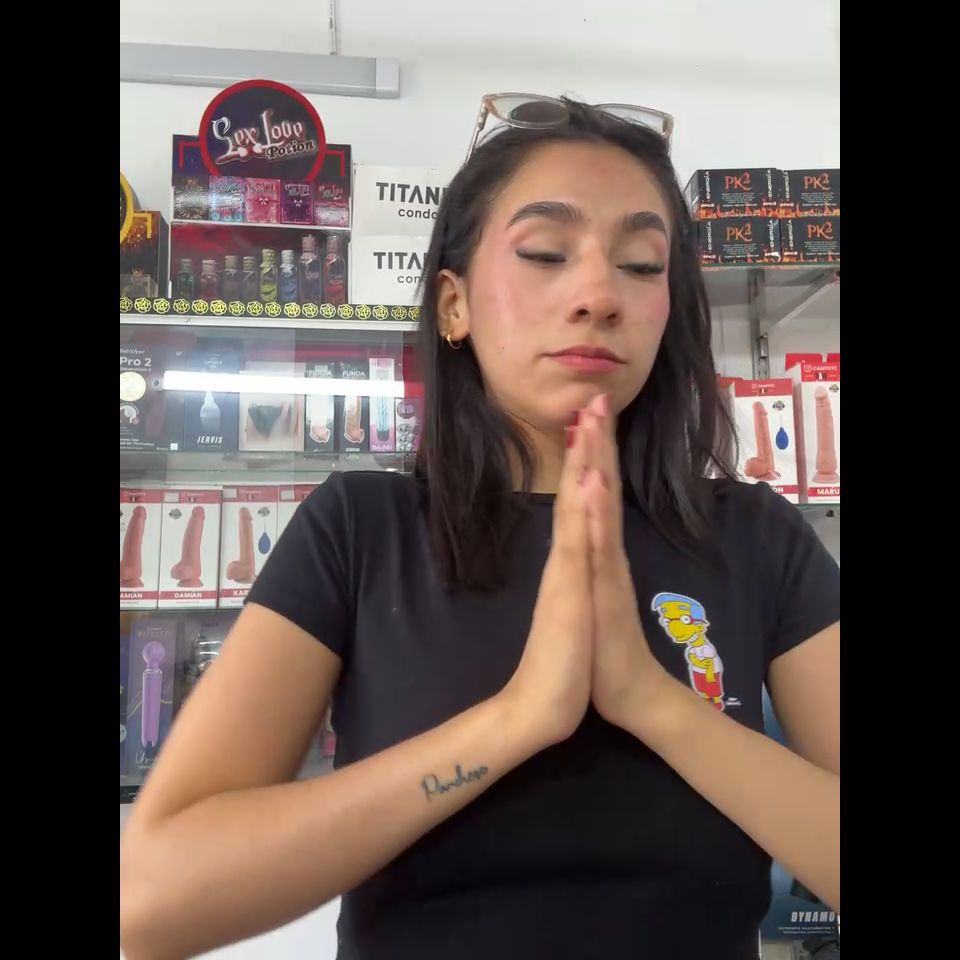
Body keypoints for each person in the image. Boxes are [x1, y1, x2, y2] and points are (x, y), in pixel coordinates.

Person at [119, 98, 840, 960]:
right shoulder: (359, 532)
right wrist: (517, 719)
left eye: (642, 265)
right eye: (545, 253)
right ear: (453, 305)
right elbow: (150, 901)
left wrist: (651, 702)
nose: (599, 295)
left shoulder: (758, 538)